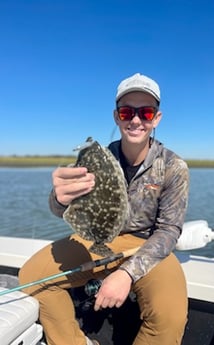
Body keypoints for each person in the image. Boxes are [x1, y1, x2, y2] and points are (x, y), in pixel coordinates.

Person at [19, 73, 190, 345]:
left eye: (145, 112)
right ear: (116, 116)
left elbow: (169, 231)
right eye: (127, 112)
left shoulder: (173, 166)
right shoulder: (96, 159)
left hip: (146, 245)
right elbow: (62, 209)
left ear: (156, 119)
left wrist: (126, 273)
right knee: (31, 278)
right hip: (95, 238)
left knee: (169, 316)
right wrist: (59, 198)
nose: (135, 120)